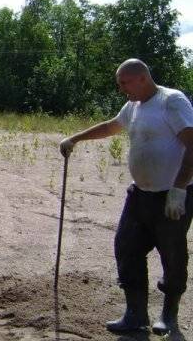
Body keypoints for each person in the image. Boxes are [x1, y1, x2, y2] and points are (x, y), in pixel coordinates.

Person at [60, 58, 193, 335]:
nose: (121, 89)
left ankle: (168, 317)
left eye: (124, 83)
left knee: (172, 256)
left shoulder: (172, 101)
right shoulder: (133, 106)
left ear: (142, 78)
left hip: (172, 197)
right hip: (140, 195)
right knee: (126, 248)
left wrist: (179, 188)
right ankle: (135, 315)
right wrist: (75, 138)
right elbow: (111, 126)